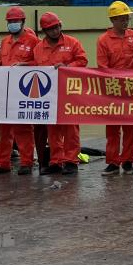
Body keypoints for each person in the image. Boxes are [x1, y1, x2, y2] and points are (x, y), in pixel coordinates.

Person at [30, 12, 88, 176]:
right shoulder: (38, 49)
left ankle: (71, 161)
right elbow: (35, 68)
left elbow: (82, 61)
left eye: (57, 27)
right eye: (51, 29)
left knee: (71, 128)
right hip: (49, 94)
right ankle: (56, 161)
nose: (55, 31)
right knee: (52, 129)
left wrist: (67, 67)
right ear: (45, 31)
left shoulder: (72, 42)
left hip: (69, 92)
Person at [0, 5, 39, 175]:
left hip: (24, 92)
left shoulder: (33, 41)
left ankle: (26, 162)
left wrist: (25, 65)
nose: (12, 24)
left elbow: (41, 64)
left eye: (16, 21)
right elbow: (2, 61)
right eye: (10, 21)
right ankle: (2, 163)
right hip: (6, 91)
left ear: (23, 22)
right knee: (4, 128)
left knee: (23, 128)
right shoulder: (5, 42)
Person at [97, 1, 133, 175]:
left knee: (131, 127)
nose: (125, 21)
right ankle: (113, 162)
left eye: (127, 18)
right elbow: (102, 66)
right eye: (122, 18)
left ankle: (128, 161)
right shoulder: (103, 40)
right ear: (113, 20)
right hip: (113, 89)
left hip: (132, 89)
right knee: (113, 128)